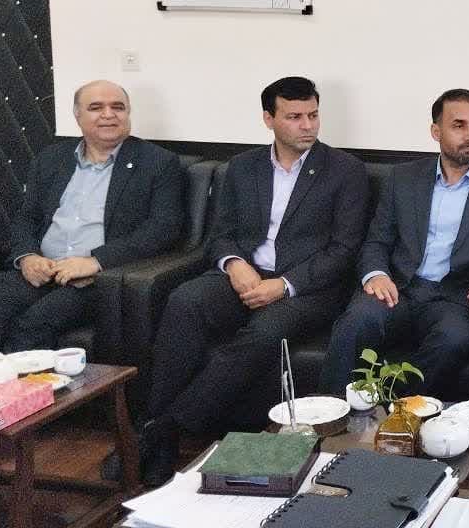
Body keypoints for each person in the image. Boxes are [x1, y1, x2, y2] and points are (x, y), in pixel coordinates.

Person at [141, 77, 369, 486]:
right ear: (269, 119)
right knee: (185, 301)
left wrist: (283, 285)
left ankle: (168, 429)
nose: (308, 125)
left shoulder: (344, 171)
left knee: (264, 333)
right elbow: (221, 234)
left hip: (307, 288)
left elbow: (344, 250)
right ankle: (157, 424)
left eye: (313, 115)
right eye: (294, 116)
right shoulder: (243, 167)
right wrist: (234, 264)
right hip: (245, 275)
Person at [319, 88, 469, 399]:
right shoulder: (403, 178)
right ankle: (330, 412)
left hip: (451, 298)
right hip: (398, 289)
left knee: (454, 339)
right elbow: (376, 240)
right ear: (436, 131)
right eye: (458, 125)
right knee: (356, 321)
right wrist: (376, 274)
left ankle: (394, 407)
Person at [0, 80, 185, 352]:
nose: (109, 114)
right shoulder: (51, 158)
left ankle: (24, 382)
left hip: (94, 279)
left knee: (33, 325)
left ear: (128, 113)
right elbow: (26, 217)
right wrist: (27, 257)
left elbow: (163, 228)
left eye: (118, 107)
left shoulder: (158, 162)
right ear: (78, 116)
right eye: (96, 107)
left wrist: (96, 262)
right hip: (41, 268)